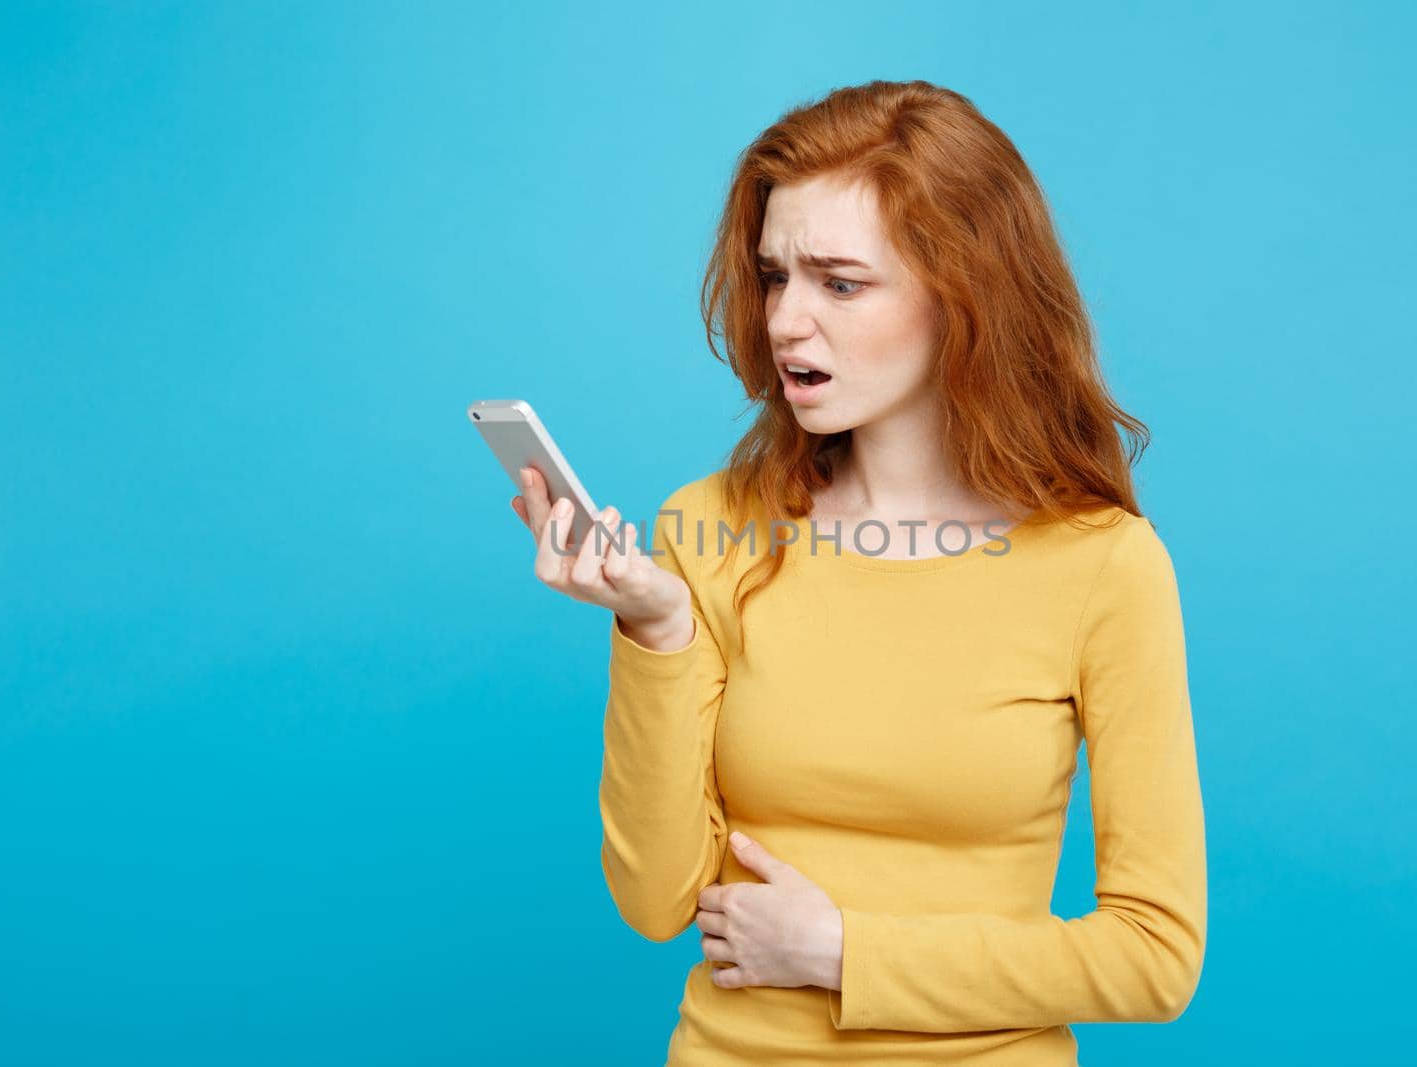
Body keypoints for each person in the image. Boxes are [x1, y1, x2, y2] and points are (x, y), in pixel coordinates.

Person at [511, 78, 1206, 1066]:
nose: (788, 321)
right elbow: (654, 898)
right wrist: (656, 632)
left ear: (963, 294)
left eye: (839, 283)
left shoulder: (1102, 565)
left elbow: (1154, 955)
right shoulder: (708, 528)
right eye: (774, 276)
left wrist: (847, 951)